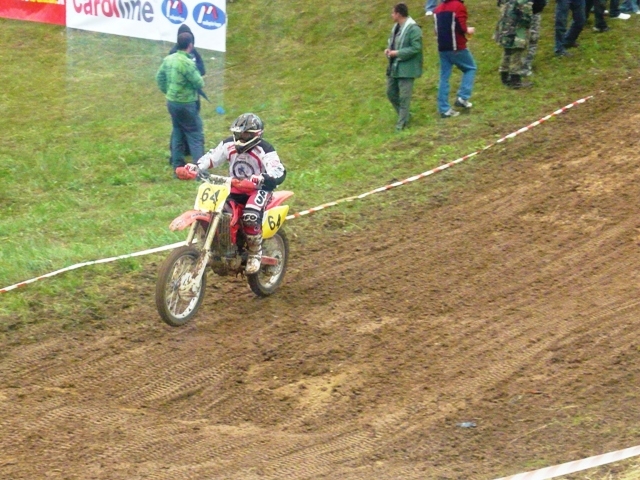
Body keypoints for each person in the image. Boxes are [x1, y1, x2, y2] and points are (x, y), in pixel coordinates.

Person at [178, 113, 287, 275]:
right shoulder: (228, 144)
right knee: (217, 212)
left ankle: (255, 252)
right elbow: (212, 157)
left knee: (250, 215)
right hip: (233, 187)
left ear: (256, 135)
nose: (241, 138)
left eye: (245, 134)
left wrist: (265, 178)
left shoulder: (265, 149)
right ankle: (220, 247)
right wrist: (196, 167)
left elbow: (278, 169)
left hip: (258, 189)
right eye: (238, 133)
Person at [156, 31, 205, 175]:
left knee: (177, 131)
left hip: (172, 102)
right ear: (190, 45)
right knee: (195, 135)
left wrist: (168, 91)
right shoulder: (187, 63)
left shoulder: (169, 59)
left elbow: (159, 77)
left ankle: (177, 167)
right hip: (187, 103)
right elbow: (199, 82)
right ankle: (200, 171)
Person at [434, 0, 477, 118]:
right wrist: (468, 30)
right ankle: (463, 97)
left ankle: (444, 109)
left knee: (444, 77)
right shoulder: (458, 6)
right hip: (457, 47)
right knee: (470, 68)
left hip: (442, 48)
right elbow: (461, 27)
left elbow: (436, 31)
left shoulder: (438, 9)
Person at [385, 3, 423, 132]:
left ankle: (401, 125)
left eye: (393, 13)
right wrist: (389, 50)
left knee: (404, 97)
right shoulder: (396, 28)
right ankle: (406, 116)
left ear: (398, 14)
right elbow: (393, 43)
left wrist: (398, 53)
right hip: (394, 67)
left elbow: (416, 48)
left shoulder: (413, 29)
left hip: (407, 69)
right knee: (391, 93)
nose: (391, 15)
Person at [495, 0, 540, 87]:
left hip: (506, 27)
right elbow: (526, 17)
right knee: (517, 52)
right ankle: (515, 79)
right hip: (518, 30)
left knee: (507, 51)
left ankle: (504, 75)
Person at [522, 0, 547, 76]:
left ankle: (526, 65)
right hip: (521, 13)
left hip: (535, 11)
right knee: (521, 39)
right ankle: (519, 67)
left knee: (533, 38)